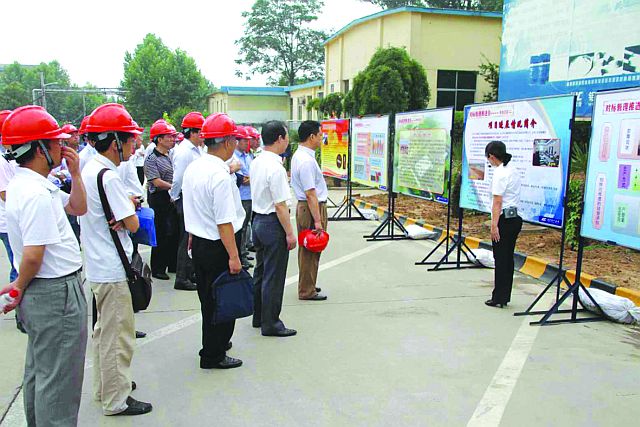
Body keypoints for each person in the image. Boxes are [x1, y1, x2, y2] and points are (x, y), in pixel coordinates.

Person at [0, 105, 88, 426]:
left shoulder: (32, 184)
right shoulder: (35, 192)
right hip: (56, 292)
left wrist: (75, 174)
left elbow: (78, 207)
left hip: (48, 291)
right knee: (60, 382)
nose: (62, 147)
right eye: (55, 142)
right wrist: (18, 287)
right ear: (39, 149)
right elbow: (33, 255)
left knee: (42, 371)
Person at [80, 103, 152, 416]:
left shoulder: (89, 169)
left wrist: (125, 208)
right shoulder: (108, 176)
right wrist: (131, 209)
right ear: (114, 143)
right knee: (117, 337)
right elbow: (133, 225)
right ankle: (116, 399)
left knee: (103, 333)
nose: (133, 145)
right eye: (129, 140)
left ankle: (106, 387)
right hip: (113, 268)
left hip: (98, 266)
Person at [182, 113, 245, 369]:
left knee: (208, 299)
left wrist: (191, 236)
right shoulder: (219, 175)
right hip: (218, 244)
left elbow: (193, 207)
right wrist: (234, 256)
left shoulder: (195, 167)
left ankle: (214, 344)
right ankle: (213, 353)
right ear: (228, 142)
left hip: (200, 241)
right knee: (223, 299)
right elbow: (224, 222)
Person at [250, 120, 297, 337]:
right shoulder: (275, 167)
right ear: (279, 138)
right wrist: (290, 233)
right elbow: (280, 205)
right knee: (274, 276)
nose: (287, 142)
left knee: (261, 272)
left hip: (258, 220)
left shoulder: (257, 161)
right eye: (286, 137)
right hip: (272, 223)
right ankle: (271, 323)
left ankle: (259, 316)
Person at [291, 121, 328, 301]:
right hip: (311, 207)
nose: (322, 138)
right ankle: (306, 290)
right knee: (310, 248)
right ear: (312, 136)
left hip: (308, 206)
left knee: (311, 249)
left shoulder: (303, 156)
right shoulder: (305, 161)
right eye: (320, 135)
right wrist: (318, 221)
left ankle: (309, 282)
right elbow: (310, 193)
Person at [170, 111, 205, 291]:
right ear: (192, 132)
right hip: (185, 197)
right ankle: (181, 277)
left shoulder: (196, 149)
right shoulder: (184, 151)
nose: (203, 135)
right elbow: (178, 178)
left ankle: (190, 272)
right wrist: (174, 197)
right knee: (186, 238)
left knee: (193, 236)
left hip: (193, 197)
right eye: (201, 132)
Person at [485, 140, 522, 308]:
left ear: (492, 156)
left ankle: (498, 297)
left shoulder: (500, 173)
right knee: (508, 259)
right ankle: (504, 295)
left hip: (503, 220)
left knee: (500, 259)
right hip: (514, 219)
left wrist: (494, 226)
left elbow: (497, 201)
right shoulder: (512, 169)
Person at [144, 120, 179, 282]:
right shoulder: (151, 158)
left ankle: (172, 263)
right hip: (159, 198)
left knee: (172, 232)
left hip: (170, 196)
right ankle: (158, 267)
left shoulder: (170, 155)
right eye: (168, 137)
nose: (172, 139)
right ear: (159, 139)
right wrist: (174, 187)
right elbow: (156, 181)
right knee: (161, 232)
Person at [233, 126, 255, 269]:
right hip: (241, 196)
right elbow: (243, 180)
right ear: (237, 141)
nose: (247, 143)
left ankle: (243, 252)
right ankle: (240, 255)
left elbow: (250, 176)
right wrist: (252, 178)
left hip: (249, 195)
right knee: (240, 227)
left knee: (246, 226)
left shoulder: (247, 156)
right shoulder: (234, 158)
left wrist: (251, 178)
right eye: (244, 140)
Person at [0, 110, 18, 283]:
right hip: (7, 221)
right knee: (18, 266)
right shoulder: (1, 161)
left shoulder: (8, 158)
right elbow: (5, 194)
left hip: (10, 218)